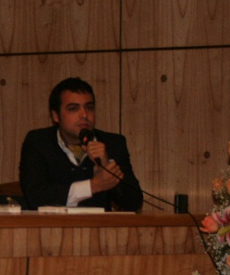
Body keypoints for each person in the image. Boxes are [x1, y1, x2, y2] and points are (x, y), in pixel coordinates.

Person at [19, 77, 143, 211]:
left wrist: (106, 165)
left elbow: (134, 203)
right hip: (53, 224)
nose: (84, 115)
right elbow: (36, 197)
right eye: (73, 108)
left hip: (100, 224)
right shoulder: (39, 142)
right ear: (55, 116)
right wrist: (93, 186)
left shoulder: (113, 143)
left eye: (89, 107)